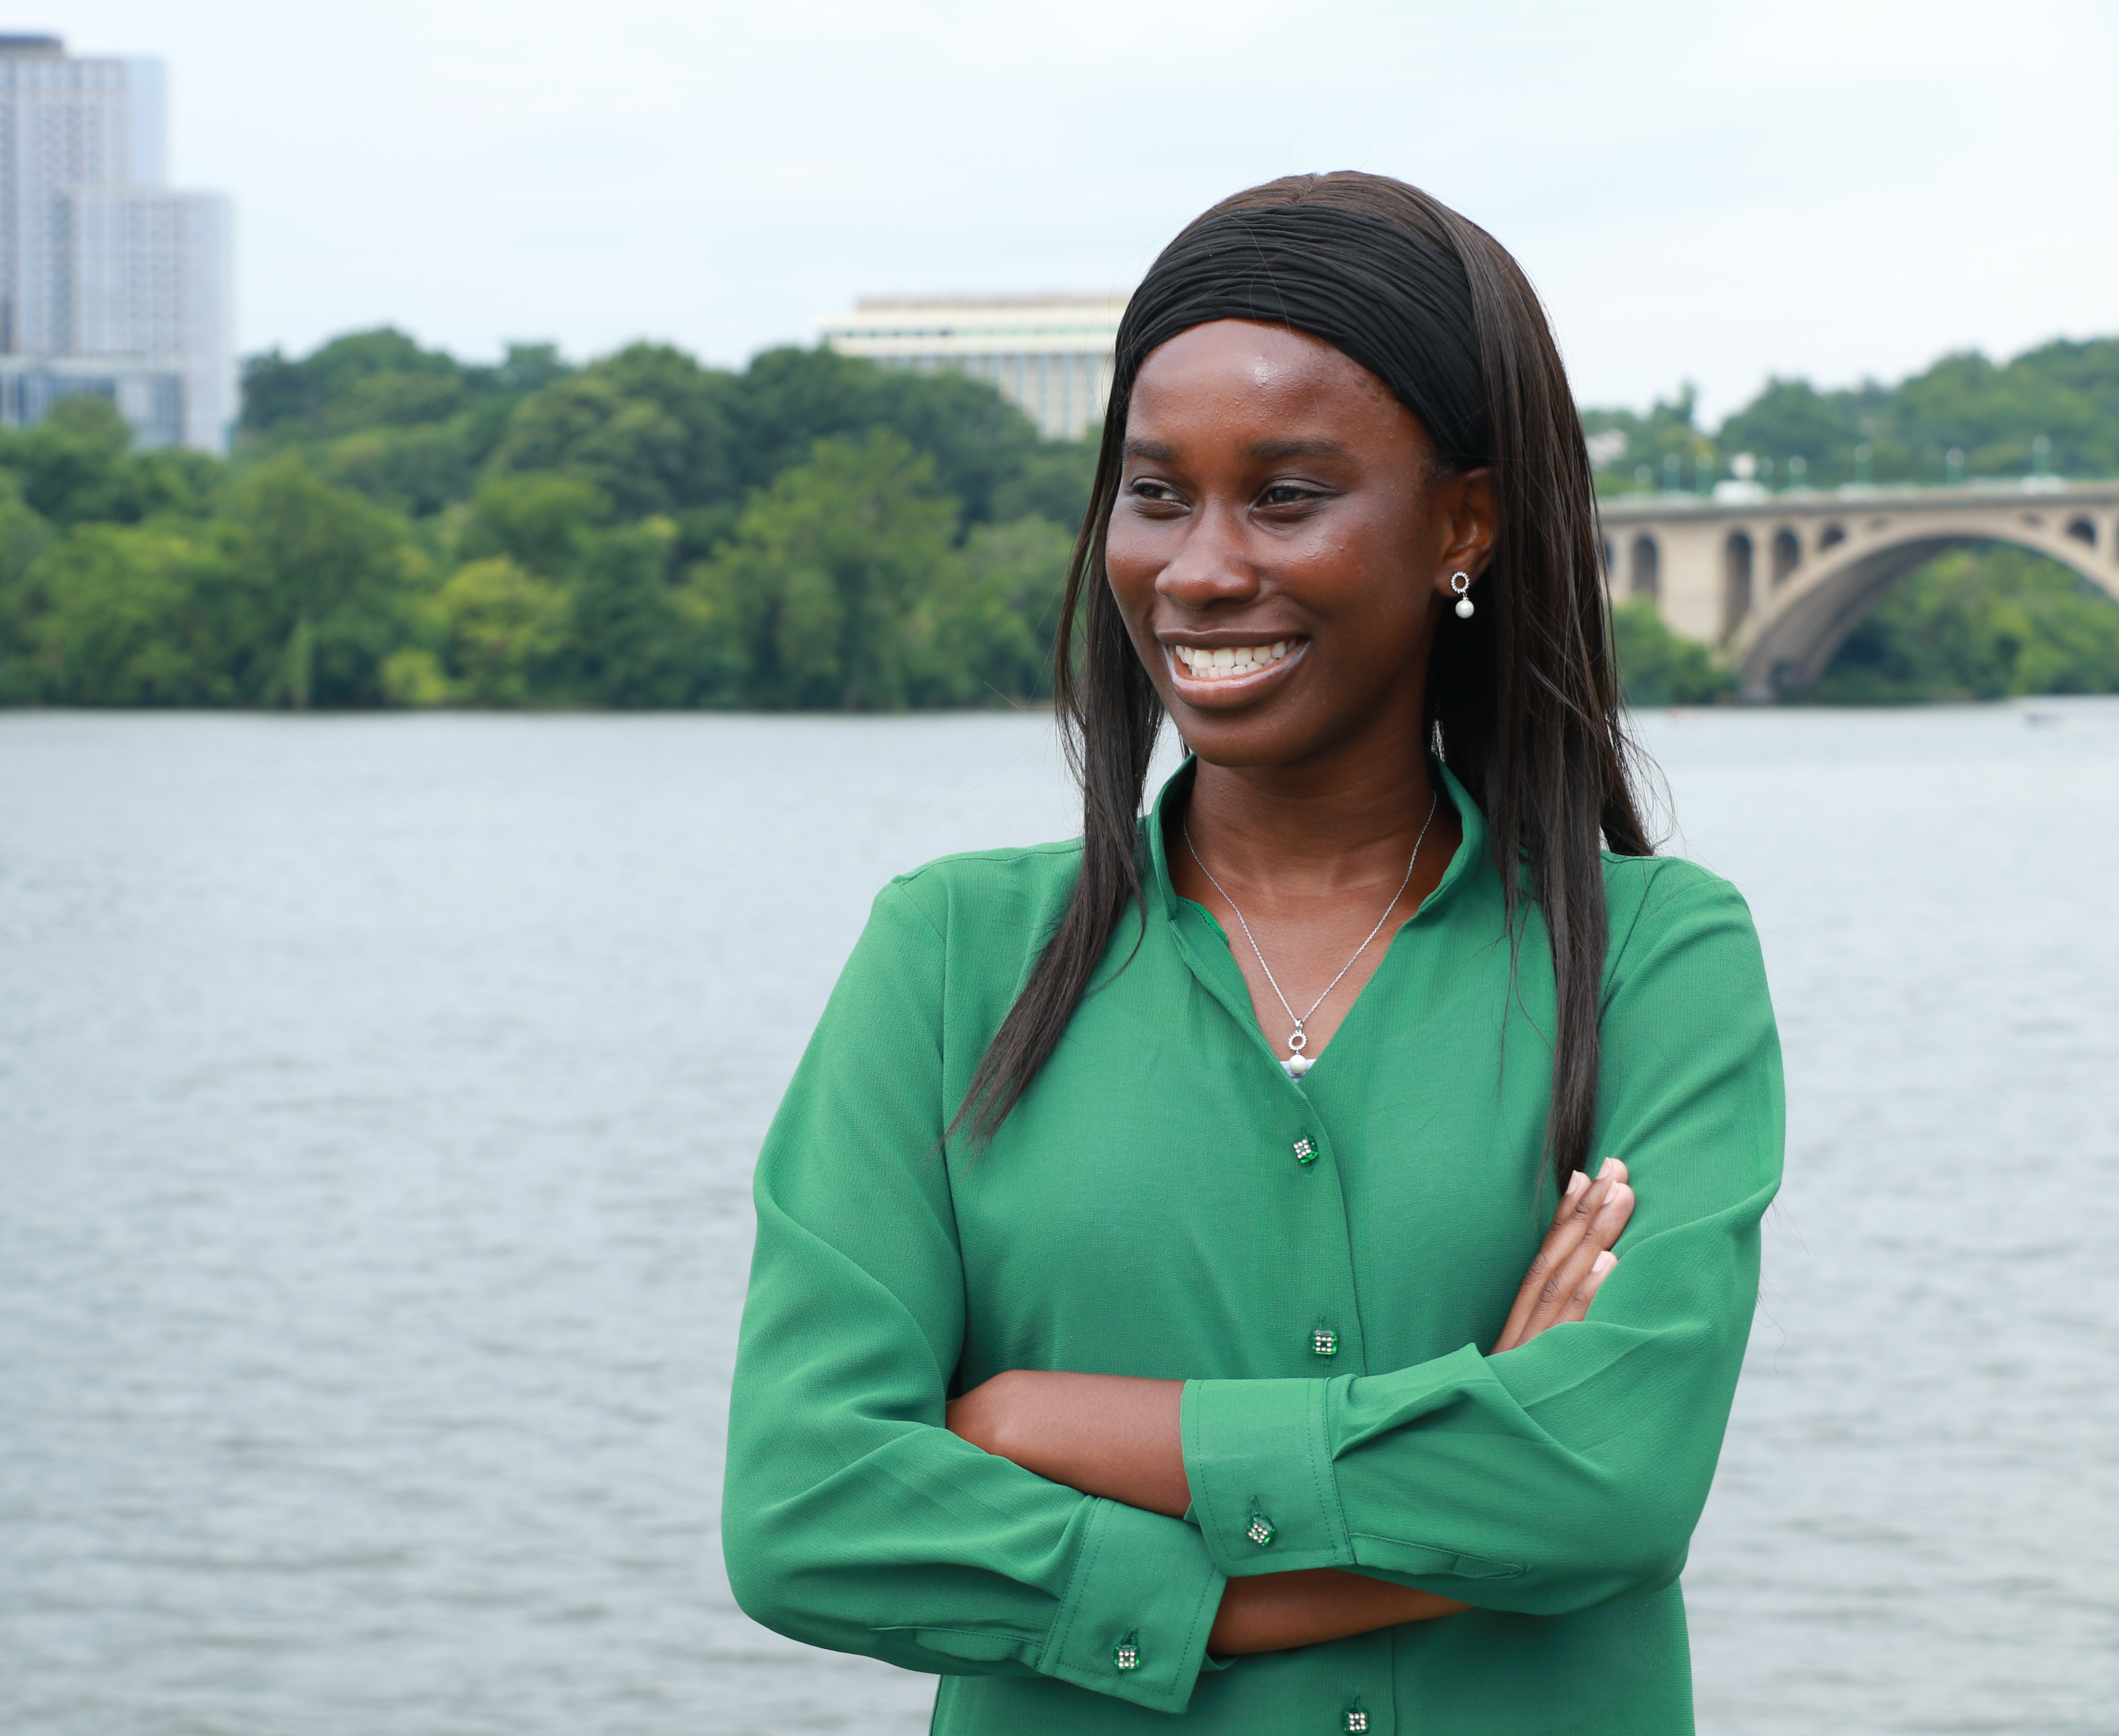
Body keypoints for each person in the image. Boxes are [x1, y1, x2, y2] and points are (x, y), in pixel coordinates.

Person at [720, 171, 1783, 1733]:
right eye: (1158, 496)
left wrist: (1036, 1422)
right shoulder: (950, 958)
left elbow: (1613, 1484)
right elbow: (807, 1511)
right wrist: (1408, 1508)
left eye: (1287, 497)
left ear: (1463, 525)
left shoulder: (1653, 962)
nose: (1203, 568)